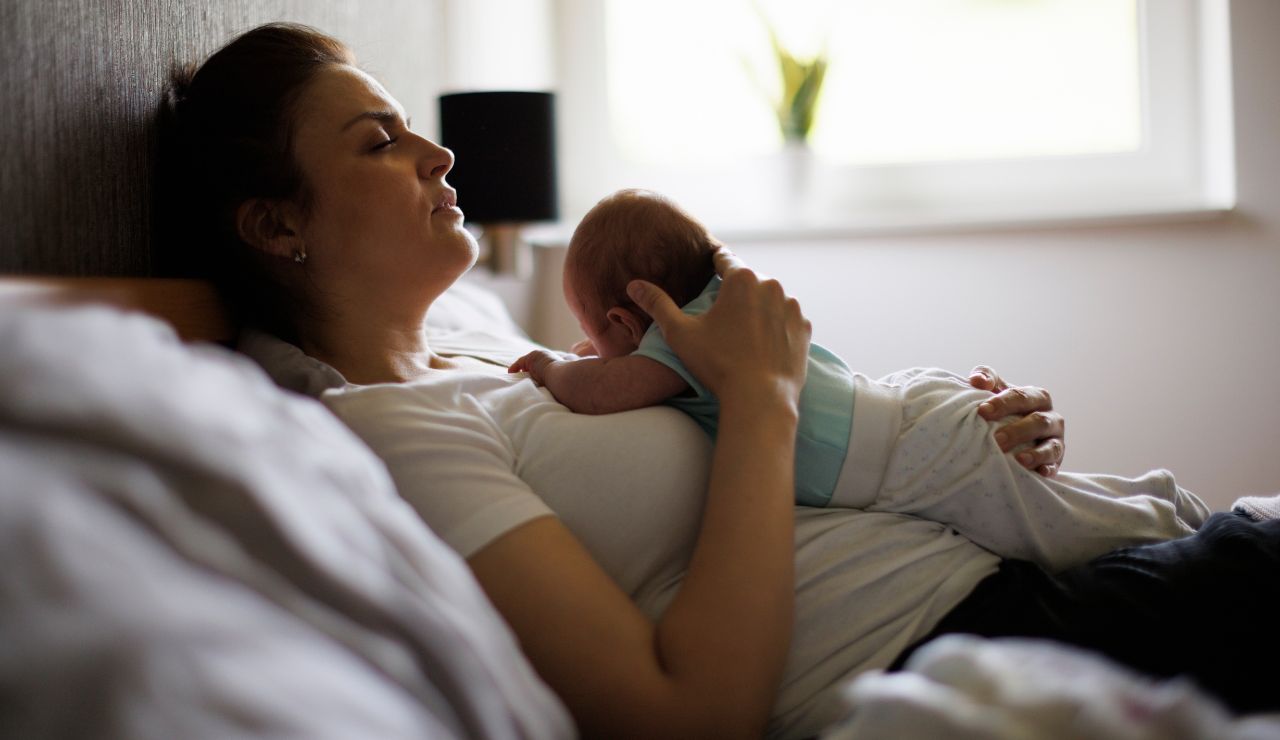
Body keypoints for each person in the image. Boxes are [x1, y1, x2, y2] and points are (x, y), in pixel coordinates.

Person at [161, 22, 1280, 738]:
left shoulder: (485, 360)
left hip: (1000, 575)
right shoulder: (389, 434)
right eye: (378, 142)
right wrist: (761, 396)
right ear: (275, 224)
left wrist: (959, 440)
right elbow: (682, 713)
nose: (438, 154)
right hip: (951, 639)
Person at [509, 189, 1212, 573]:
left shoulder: (676, 343)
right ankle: (1154, 501)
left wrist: (550, 366)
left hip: (910, 452)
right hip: (908, 409)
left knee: (1056, 533)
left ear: (622, 321)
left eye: (594, 335)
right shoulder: (726, 307)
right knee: (1049, 509)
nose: (597, 353)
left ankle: (1169, 514)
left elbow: (602, 391)